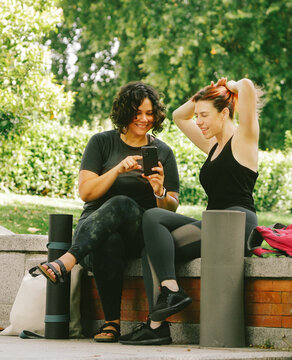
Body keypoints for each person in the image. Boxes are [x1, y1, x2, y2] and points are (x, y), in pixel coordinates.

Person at [119, 77, 263, 345]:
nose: (199, 121)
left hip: (236, 224)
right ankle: (159, 321)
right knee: (151, 237)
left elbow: (247, 87)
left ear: (225, 112)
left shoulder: (244, 140)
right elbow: (178, 116)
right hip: (213, 223)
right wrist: (201, 95)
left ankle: (167, 302)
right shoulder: (213, 146)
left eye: (205, 115)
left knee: (152, 222)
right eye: (198, 116)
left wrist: (228, 85)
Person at [34, 82, 180, 342]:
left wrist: (159, 190)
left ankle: (66, 261)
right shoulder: (101, 143)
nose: (144, 119)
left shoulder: (164, 152)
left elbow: (172, 207)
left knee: (123, 203)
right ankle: (111, 323)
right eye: (138, 113)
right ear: (125, 112)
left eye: (149, 113)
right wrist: (117, 171)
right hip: (92, 236)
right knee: (107, 238)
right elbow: (86, 193)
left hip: (137, 235)